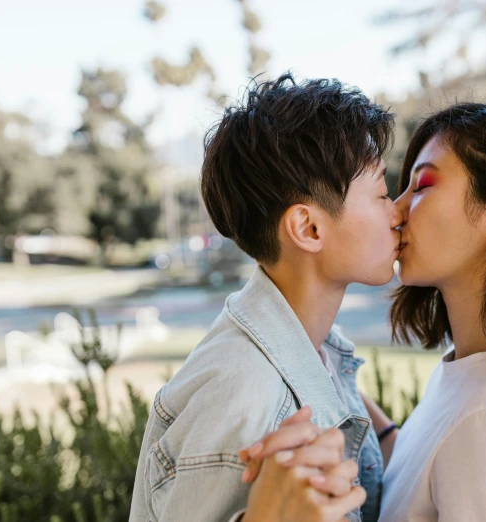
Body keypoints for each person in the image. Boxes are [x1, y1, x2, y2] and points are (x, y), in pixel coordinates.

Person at [244, 102, 486, 522]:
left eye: (422, 186)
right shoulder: (474, 376)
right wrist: (336, 400)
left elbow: (481, 458)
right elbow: (433, 475)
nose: (394, 211)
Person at [129, 73, 401, 522]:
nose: (397, 213)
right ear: (308, 228)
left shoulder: (312, 348)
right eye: (382, 195)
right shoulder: (243, 398)